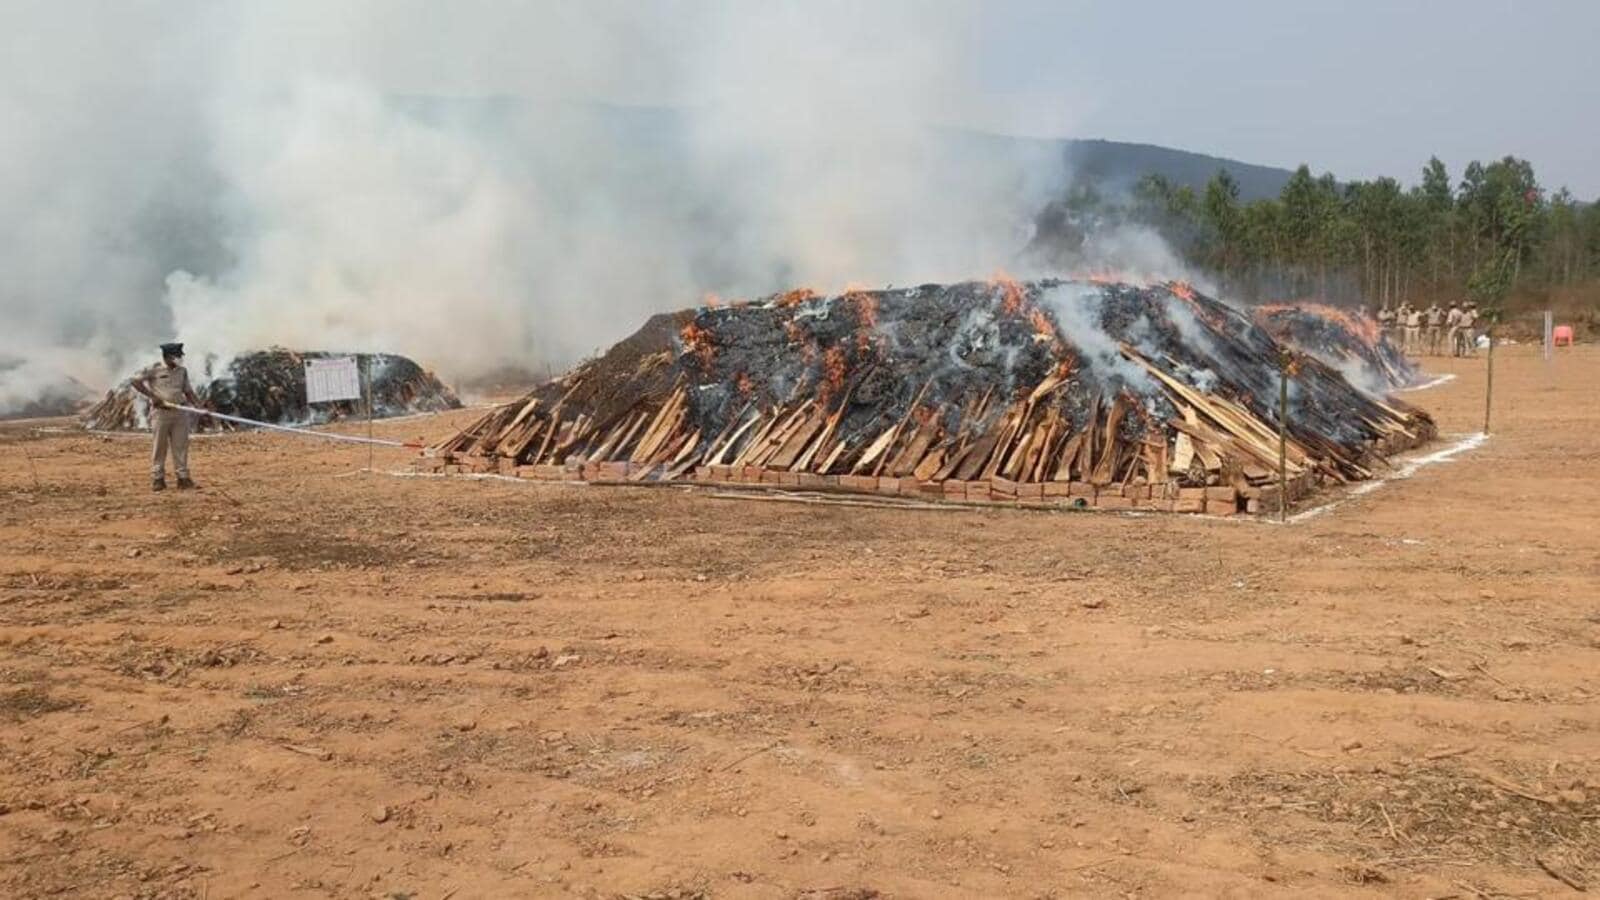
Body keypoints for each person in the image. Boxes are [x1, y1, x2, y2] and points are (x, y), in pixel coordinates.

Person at [130, 342, 203, 491]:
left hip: (179, 413)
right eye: (177, 356)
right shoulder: (154, 369)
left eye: (180, 356)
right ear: (168, 357)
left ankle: (183, 478)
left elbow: (188, 391)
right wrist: (152, 396)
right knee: (160, 446)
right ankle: (158, 478)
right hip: (161, 413)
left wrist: (198, 405)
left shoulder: (182, 371)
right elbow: (135, 381)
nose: (179, 359)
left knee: (181, 446)